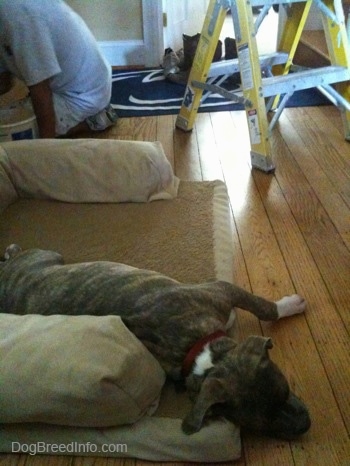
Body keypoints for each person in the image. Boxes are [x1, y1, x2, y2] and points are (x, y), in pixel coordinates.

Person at [0, 0, 118, 138]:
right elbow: (4, 83)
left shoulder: (20, 18)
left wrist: (46, 148)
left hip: (82, 95)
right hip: (65, 85)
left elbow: (40, 89)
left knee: (12, 138)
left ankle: (94, 120)